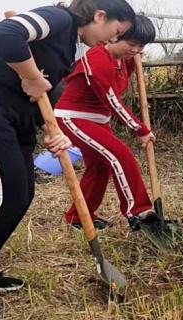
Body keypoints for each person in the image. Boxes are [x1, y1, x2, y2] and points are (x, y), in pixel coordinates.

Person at [0, 0, 135, 320]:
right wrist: (33, 76)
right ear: (99, 17)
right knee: (2, 197)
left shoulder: (69, 49)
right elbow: (4, 33)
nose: (113, 40)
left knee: (21, 193)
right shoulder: (58, 18)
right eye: (117, 32)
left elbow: (45, 96)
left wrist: (54, 132)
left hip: (12, 118)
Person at [55, 15, 159, 231]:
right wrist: (139, 129)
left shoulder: (125, 59)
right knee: (120, 155)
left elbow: (118, 87)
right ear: (113, 36)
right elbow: (111, 99)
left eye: (141, 46)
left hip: (98, 119)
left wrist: (132, 56)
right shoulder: (98, 58)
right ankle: (138, 211)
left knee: (100, 166)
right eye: (131, 44)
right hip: (73, 117)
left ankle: (78, 217)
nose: (136, 50)